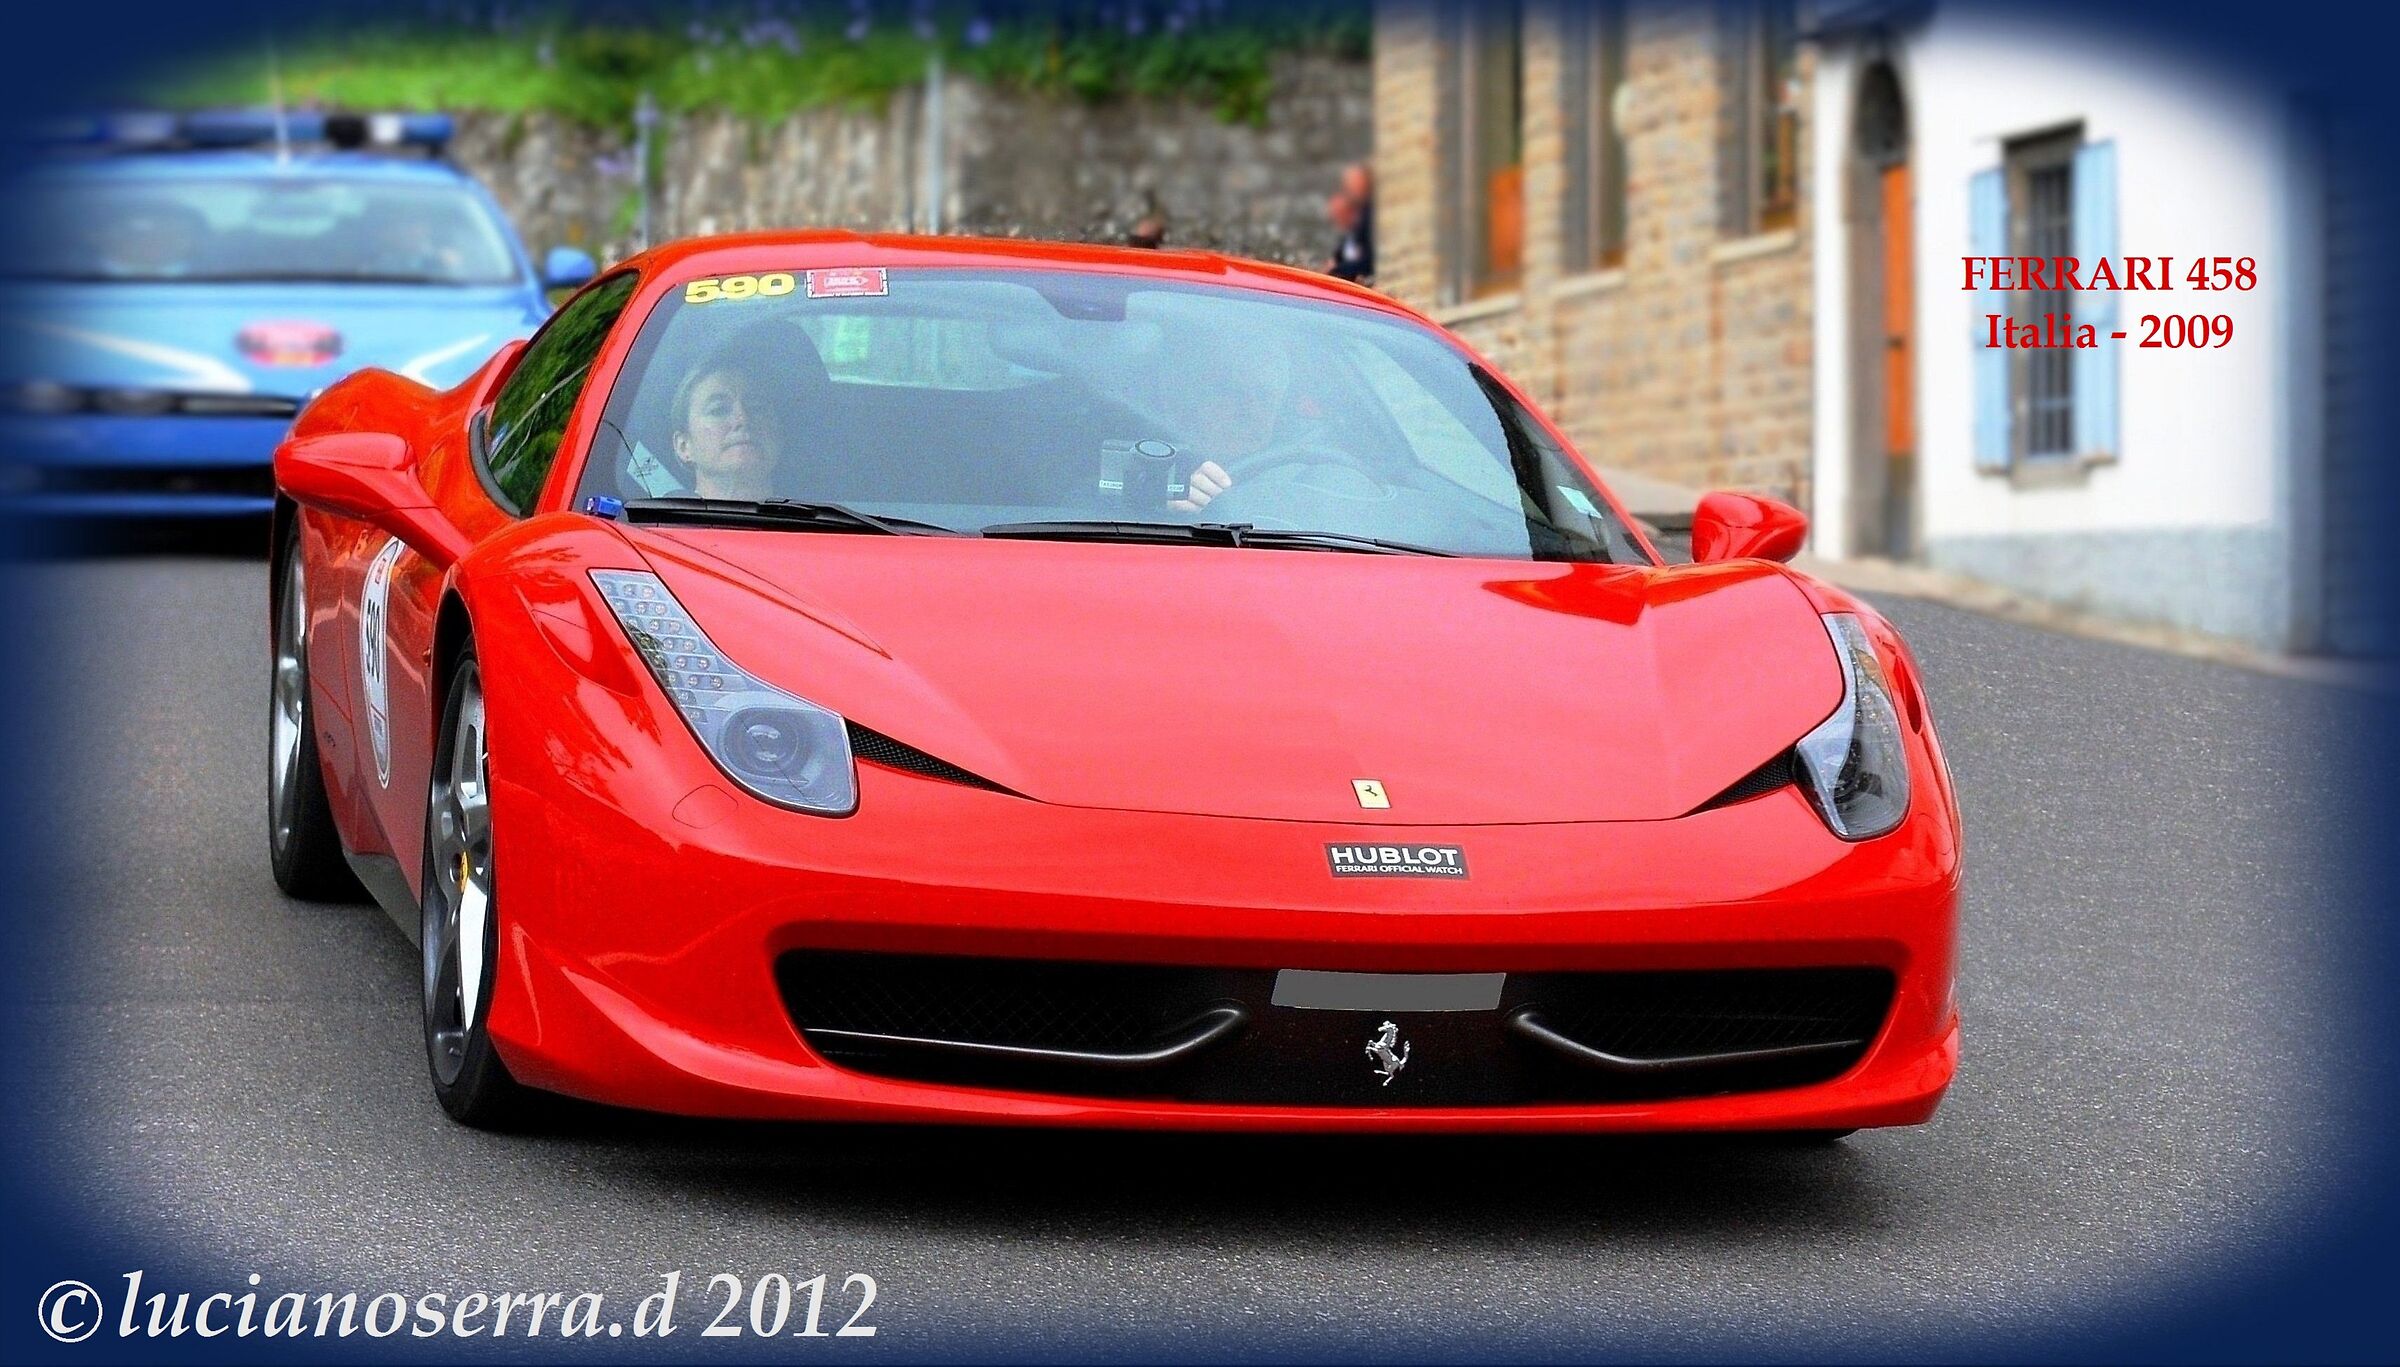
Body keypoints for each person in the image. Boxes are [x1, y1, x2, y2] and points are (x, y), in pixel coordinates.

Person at [668, 359, 784, 501]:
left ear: (779, 433)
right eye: (719, 410)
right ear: (684, 446)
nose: (743, 419)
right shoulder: (658, 521)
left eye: (756, 407)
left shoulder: (814, 519)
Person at [1327, 161, 1375, 284]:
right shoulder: (1353, 232)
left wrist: (1336, 271)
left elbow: (1368, 263)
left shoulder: (1369, 219)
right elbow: (1339, 258)